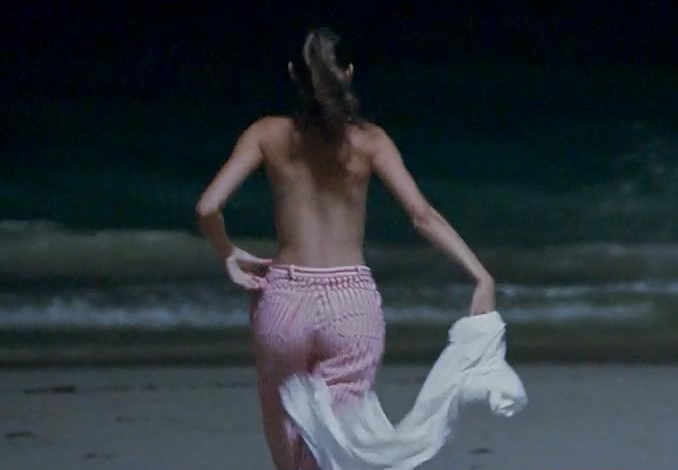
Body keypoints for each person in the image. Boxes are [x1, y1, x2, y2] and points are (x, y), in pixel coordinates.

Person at [195, 28, 495, 470]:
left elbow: (208, 207)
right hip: (350, 307)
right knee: (340, 449)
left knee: (291, 444)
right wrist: (479, 274)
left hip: (284, 301)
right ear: (348, 74)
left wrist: (227, 252)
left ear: (293, 74)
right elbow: (421, 215)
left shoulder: (267, 133)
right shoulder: (370, 141)